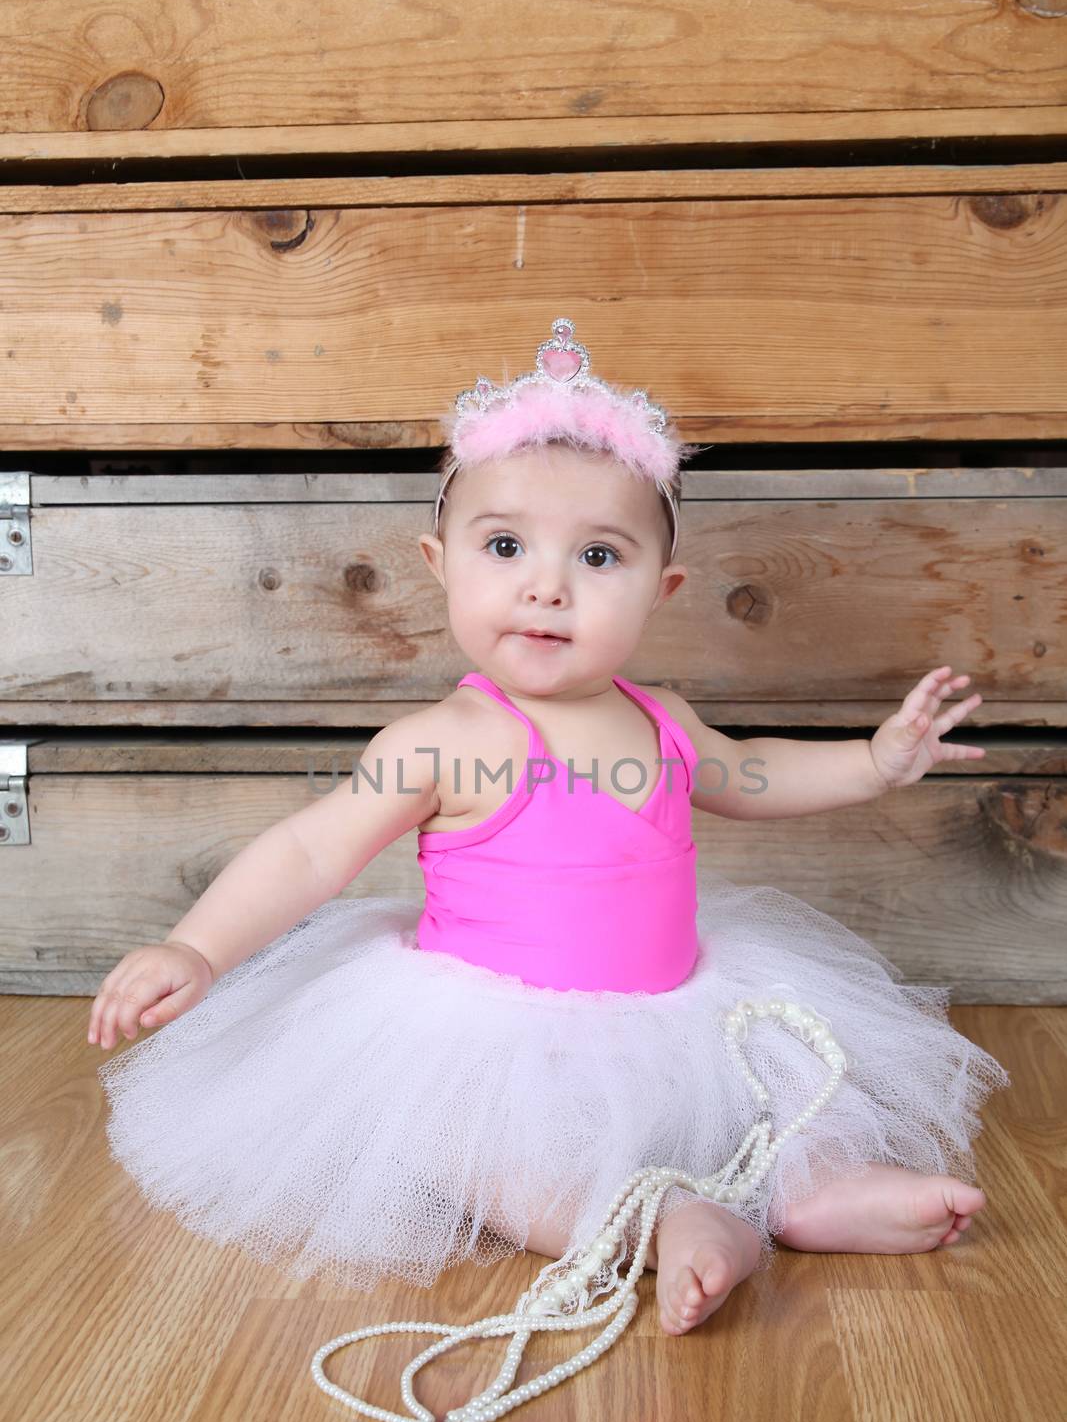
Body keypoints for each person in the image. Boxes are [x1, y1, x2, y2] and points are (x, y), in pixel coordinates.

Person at [89, 317, 1010, 1339]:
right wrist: (197, 946)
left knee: (787, 1071)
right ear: (440, 563)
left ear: (659, 590)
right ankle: (658, 1219)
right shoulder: (443, 738)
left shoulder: (662, 719)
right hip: (491, 1031)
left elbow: (754, 773)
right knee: (477, 1145)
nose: (546, 584)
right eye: (504, 545)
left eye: (598, 555)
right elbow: (310, 848)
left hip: (675, 1011)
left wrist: (871, 762)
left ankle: (811, 1187)